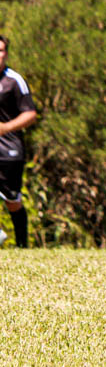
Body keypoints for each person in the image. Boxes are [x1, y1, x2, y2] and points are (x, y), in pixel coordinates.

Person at [0, 35, 38, 249]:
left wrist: (6, 128)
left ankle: (22, 245)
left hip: (9, 150)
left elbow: (30, 114)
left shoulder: (14, 81)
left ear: (6, 54)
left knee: (12, 201)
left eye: (0, 50)